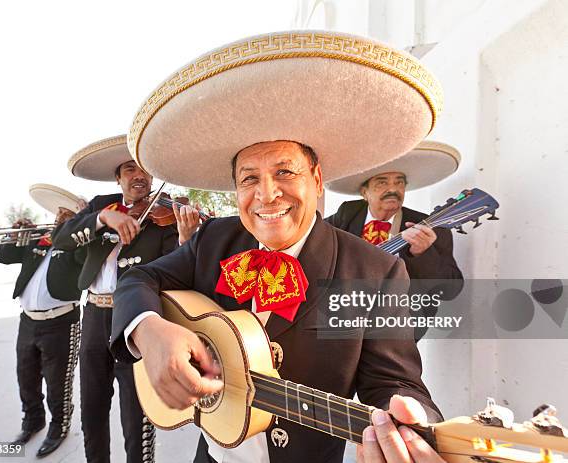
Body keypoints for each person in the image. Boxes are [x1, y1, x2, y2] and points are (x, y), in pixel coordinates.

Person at [110, 30, 449, 462]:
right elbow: (140, 276)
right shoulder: (215, 239)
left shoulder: (375, 272)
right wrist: (149, 330)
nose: (267, 195)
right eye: (249, 178)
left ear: (318, 180)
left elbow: (395, 383)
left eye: (285, 172)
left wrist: (408, 422)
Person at [53, 135, 199, 463]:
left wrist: (185, 239)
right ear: (118, 178)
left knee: (136, 411)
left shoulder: (165, 216)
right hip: (93, 316)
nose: (139, 176)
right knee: (92, 403)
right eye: (130, 169)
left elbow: (175, 272)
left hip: (134, 320)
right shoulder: (100, 205)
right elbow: (62, 240)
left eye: (145, 169)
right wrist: (104, 218)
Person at [325, 142, 464, 340]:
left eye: (399, 182)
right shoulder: (347, 215)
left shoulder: (433, 229)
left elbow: (450, 290)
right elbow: (314, 242)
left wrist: (423, 254)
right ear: (365, 193)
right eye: (382, 182)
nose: (393, 189)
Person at [0, 184, 86, 458]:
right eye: (58, 212)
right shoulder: (39, 239)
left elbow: (82, 258)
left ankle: (58, 427)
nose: (59, 216)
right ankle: (32, 421)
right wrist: (16, 235)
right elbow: (4, 257)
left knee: (58, 382)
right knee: (26, 377)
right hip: (28, 321)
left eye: (66, 213)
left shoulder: (77, 243)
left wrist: (74, 227)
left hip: (61, 322)